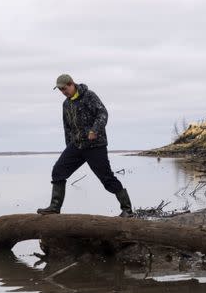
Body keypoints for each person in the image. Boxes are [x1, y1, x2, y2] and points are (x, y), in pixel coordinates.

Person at [37, 74, 134, 217]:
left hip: (95, 145)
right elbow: (67, 127)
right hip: (76, 146)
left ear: (71, 84)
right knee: (58, 171)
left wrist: (95, 130)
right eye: (60, 90)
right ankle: (54, 207)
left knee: (107, 178)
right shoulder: (66, 104)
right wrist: (69, 147)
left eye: (64, 88)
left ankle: (127, 210)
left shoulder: (89, 96)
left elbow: (103, 113)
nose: (63, 92)